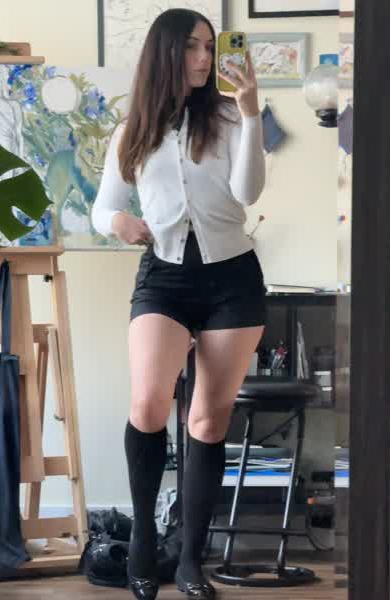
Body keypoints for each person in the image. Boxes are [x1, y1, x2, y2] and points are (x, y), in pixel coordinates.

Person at [92, 8, 266, 600]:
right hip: (163, 276)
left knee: (208, 419)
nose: (204, 58)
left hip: (232, 279)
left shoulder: (229, 116)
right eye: (193, 46)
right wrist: (117, 221)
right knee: (148, 402)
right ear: (166, 51)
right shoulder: (134, 128)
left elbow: (248, 192)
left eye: (210, 47)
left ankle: (191, 558)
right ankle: (144, 538)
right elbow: (104, 205)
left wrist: (251, 112)